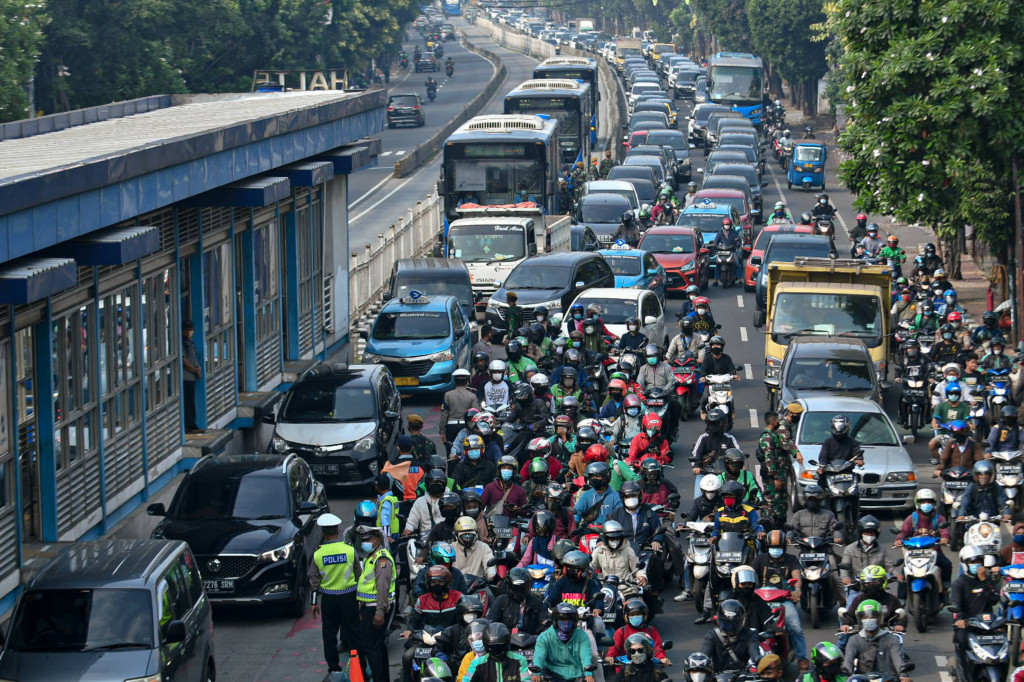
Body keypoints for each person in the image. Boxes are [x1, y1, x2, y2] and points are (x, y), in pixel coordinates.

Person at [751, 530, 809, 671]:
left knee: (795, 627)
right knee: (749, 629)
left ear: (784, 547)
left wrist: (797, 590)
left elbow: (797, 577)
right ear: (767, 546)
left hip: (783, 601)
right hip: (761, 601)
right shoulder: (760, 559)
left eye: (778, 547)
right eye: (772, 547)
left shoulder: (792, 559)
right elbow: (751, 574)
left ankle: (801, 658)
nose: (775, 550)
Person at [308, 513, 358, 674]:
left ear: (323, 533)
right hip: (349, 597)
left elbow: (314, 580)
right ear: (338, 531)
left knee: (329, 635)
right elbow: (359, 575)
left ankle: (333, 668)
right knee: (353, 631)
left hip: (329, 600)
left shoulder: (318, 553)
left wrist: (313, 603)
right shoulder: (349, 550)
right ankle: (358, 665)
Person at [402, 565, 464, 682]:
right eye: (433, 582)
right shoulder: (422, 600)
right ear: (428, 583)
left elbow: (464, 619)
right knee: (407, 657)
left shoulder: (458, 597)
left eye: (440, 581)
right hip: (428, 640)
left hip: (451, 641)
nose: (436, 585)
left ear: (447, 582)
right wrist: (409, 630)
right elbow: (415, 619)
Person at [950, 545, 1001, 681]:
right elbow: (955, 604)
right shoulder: (959, 583)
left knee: (1003, 642)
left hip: (988, 624)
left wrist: (984, 581)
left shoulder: (987, 580)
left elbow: (995, 599)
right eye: (972, 562)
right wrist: (959, 619)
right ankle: (964, 676)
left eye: (979, 561)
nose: (976, 565)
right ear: (965, 564)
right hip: (967, 625)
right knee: (962, 641)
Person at [610, 481, 667, 598]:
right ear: (622, 498)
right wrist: (601, 541)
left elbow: (658, 529)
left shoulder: (648, 512)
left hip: (644, 550)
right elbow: (607, 530)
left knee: (655, 561)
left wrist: (656, 540)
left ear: (639, 496)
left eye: (633, 496)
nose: (630, 499)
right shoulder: (616, 514)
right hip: (622, 550)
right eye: (627, 496)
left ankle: (654, 594)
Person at [354, 524, 395, 682]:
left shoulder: (381, 559)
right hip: (369, 607)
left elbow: (382, 587)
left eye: (369, 539)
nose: (365, 542)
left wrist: (380, 611)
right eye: (363, 540)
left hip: (375, 609)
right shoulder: (371, 556)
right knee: (377, 645)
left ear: (377, 539)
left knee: (372, 647)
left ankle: (379, 679)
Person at [841, 600, 912, 682]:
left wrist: (902, 675)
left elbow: (898, 659)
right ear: (860, 619)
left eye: (873, 616)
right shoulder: (854, 640)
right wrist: (846, 674)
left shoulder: (892, 639)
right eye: (865, 617)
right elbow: (848, 661)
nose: (869, 619)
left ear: (880, 618)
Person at [839, 566, 906, 650]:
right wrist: (846, 624)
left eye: (873, 583)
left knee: (898, 643)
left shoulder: (891, 599)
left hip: (886, 633)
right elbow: (850, 614)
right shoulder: (859, 599)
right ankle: (841, 653)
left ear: (882, 582)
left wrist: (900, 625)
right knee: (844, 640)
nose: (869, 586)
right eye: (867, 583)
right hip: (862, 632)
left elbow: (901, 615)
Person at [839, 516, 896, 607]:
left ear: (876, 534)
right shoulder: (849, 549)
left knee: (893, 608)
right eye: (866, 533)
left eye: (872, 533)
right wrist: (845, 578)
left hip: (878, 586)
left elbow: (889, 565)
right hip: (857, 587)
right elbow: (845, 565)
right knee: (848, 610)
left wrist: (896, 574)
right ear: (861, 533)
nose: (869, 535)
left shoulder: (882, 550)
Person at [758, 410, 802, 528]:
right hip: (773, 478)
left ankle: (781, 525)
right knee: (772, 502)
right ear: (773, 422)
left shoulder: (774, 435)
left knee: (781, 501)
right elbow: (769, 459)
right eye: (777, 420)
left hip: (780, 473)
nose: (779, 422)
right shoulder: (767, 437)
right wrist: (775, 478)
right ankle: (769, 526)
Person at [533, 603, 595, 682]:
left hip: (577, 675)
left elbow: (585, 656)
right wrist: (537, 672)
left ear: (574, 621)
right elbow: (539, 656)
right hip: (552, 675)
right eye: (562, 620)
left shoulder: (582, 636)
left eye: (569, 620)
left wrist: (588, 673)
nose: (566, 623)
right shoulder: (544, 637)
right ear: (555, 621)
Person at [698, 599, 760, 672]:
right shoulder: (713, 635)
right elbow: (704, 654)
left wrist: (760, 660)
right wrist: (699, 661)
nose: (730, 627)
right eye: (726, 623)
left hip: (743, 675)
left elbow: (754, 653)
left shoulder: (750, 634)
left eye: (735, 623)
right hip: (718, 676)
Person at [690, 409, 741, 497]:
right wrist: (697, 466)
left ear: (723, 423)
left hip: (726, 475)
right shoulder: (703, 438)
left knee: (738, 495)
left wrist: (740, 464)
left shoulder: (729, 439)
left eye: (716, 423)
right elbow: (697, 454)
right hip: (705, 474)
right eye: (711, 423)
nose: (713, 426)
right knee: (698, 498)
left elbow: (738, 453)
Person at [466, 622, 531, 682]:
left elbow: (526, 679)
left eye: (499, 646)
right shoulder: (476, 664)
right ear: (486, 646)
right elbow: (466, 679)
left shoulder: (520, 661)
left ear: (506, 644)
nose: (496, 649)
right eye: (492, 647)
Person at [592, 519, 646, 588]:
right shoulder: (599, 551)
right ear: (605, 538)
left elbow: (637, 569)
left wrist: (642, 576)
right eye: (611, 539)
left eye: (617, 539)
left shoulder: (628, 550)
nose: (615, 541)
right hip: (607, 589)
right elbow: (590, 566)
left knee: (636, 595)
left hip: (626, 589)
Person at [575, 461, 624, 526]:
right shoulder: (586, 495)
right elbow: (576, 512)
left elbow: (621, 517)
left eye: (597, 476)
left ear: (606, 478)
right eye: (592, 476)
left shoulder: (616, 497)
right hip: (589, 530)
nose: (594, 479)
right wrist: (574, 522)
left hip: (609, 530)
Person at [441, 369, 480, 447]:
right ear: (467, 381)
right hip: (466, 426)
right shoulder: (472, 396)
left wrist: (442, 431)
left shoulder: (448, 395)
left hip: (451, 426)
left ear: (454, 381)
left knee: (451, 449)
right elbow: (475, 415)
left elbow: (444, 414)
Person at [454, 515, 494, 580]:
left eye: (470, 536)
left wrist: (492, 576)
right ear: (456, 536)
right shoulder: (451, 548)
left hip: (478, 585)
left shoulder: (483, 547)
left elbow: (489, 564)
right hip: (456, 585)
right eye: (464, 536)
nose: (467, 539)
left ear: (476, 534)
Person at [181, 320, 203, 433]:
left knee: (191, 402)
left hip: (192, 377)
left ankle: (192, 424)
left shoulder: (190, 343)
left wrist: (198, 368)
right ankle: (189, 426)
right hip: (185, 377)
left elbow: (194, 358)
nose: (190, 332)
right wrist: (194, 370)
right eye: (188, 329)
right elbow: (183, 360)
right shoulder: (182, 343)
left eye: (191, 329)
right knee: (188, 403)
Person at [710, 218, 742, 285]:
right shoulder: (720, 233)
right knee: (717, 264)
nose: (727, 226)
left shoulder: (734, 233)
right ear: (723, 225)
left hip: (732, 251)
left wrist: (736, 245)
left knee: (737, 264)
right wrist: (716, 246)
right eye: (725, 225)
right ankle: (715, 280)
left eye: (728, 225)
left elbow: (738, 240)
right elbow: (716, 241)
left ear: (731, 225)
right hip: (722, 252)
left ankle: (740, 280)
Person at [373, 475, 401, 543]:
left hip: (389, 534)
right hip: (394, 531)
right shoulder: (392, 498)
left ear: (378, 487)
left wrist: (386, 535)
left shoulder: (386, 501)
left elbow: (385, 518)